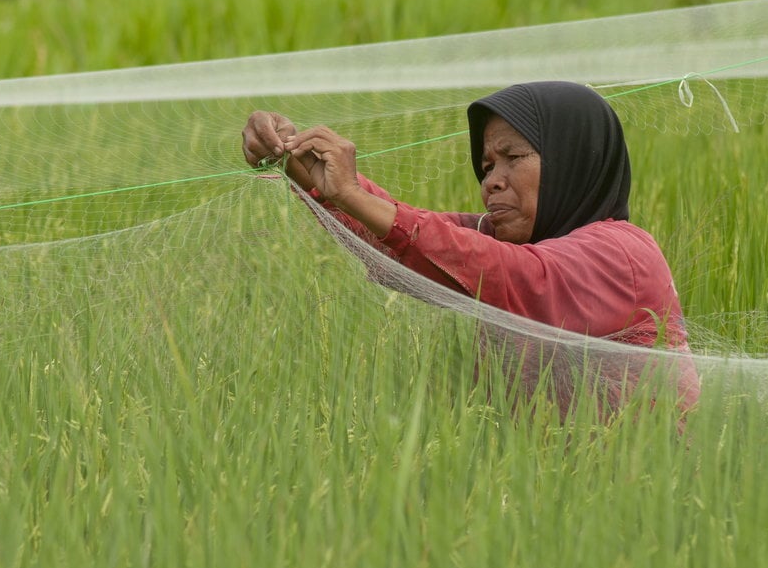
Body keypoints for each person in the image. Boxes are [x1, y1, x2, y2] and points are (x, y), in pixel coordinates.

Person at [242, 81, 699, 420]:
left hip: (642, 498)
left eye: (513, 157)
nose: (491, 182)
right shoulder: (508, 241)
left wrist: (352, 196)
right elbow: (406, 240)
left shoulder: (621, 251)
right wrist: (302, 167)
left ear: (573, 158)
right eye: (486, 166)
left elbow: (511, 275)